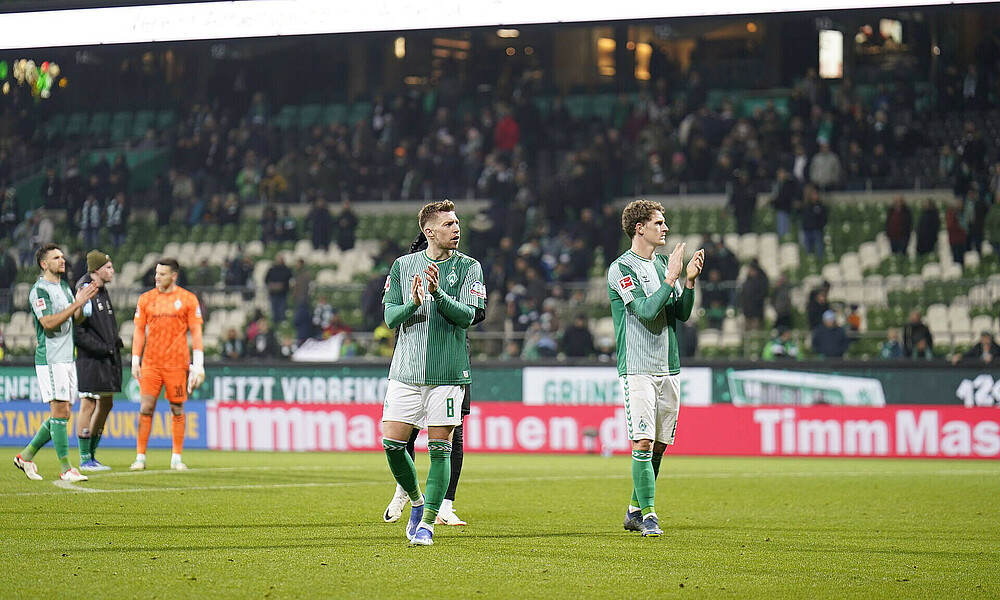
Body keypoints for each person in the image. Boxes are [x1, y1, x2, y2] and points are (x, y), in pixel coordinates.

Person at [380, 200, 486, 546]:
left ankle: (426, 524)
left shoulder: (470, 267)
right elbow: (391, 319)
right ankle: (416, 499)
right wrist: (412, 302)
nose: (456, 229)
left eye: (457, 223)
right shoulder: (402, 266)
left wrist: (438, 294)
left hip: (448, 373)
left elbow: (469, 316)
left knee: (440, 448)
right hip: (405, 372)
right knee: (393, 444)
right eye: (449, 224)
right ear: (429, 232)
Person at [607, 199, 704, 538]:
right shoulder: (621, 269)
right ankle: (649, 515)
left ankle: (634, 510)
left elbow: (681, 313)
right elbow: (647, 311)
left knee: (660, 445)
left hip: (669, 366)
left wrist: (688, 282)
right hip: (637, 368)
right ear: (640, 228)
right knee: (644, 442)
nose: (664, 228)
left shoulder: (664, 264)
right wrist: (671, 278)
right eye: (658, 223)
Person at [14, 243, 98, 482]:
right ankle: (66, 468)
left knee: (64, 413)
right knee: (59, 411)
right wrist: (76, 304)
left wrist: (82, 305)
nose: (63, 260)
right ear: (44, 264)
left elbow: (76, 318)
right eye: (56, 257)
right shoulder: (39, 291)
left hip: (66, 357)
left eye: (62, 256)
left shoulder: (63, 286)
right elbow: (48, 323)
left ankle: (26, 456)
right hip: (50, 358)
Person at [130, 258, 205, 471]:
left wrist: (198, 363)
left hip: (176, 364)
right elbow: (138, 330)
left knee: (177, 408)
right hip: (151, 363)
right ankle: (140, 457)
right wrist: (136, 358)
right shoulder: (145, 299)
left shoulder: (188, 299)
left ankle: (176, 458)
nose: (157, 277)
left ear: (174, 276)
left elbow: (196, 331)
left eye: (162, 274)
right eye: (156, 273)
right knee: (146, 407)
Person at [74, 250, 124, 472]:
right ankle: (85, 458)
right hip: (91, 359)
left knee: (106, 403)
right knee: (88, 404)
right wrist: (102, 348)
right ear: (97, 270)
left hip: (107, 358)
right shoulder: (86, 290)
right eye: (108, 267)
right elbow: (78, 330)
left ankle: (92, 455)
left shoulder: (102, 291)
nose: (112, 271)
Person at [264, 254, 292, 325]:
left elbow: (288, 278)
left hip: (282, 293)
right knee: (274, 309)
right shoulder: (272, 269)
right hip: (273, 292)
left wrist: (281, 285)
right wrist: (272, 284)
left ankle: (282, 323)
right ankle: (275, 323)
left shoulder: (286, 269)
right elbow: (266, 279)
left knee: (281, 308)